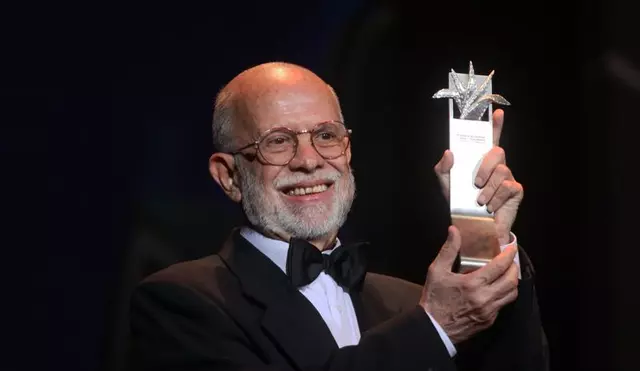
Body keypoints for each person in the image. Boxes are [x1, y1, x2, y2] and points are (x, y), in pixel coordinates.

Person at [128, 62, 548, 371]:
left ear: (347, 152)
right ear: (229, 175)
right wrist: (433, 328)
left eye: (326, 136)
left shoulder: (405, 301)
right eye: (278, 142)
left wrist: (483, 241)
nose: (309, 161)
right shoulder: (180, 303)